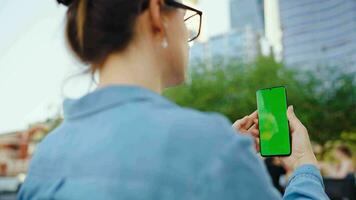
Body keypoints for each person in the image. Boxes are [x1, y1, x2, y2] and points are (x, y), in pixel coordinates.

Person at [18, 0, 329, 199]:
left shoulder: (48, 154)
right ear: (156, 12)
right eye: (186, 16)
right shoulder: (209, 147)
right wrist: (304, 166)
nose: (188, 32)